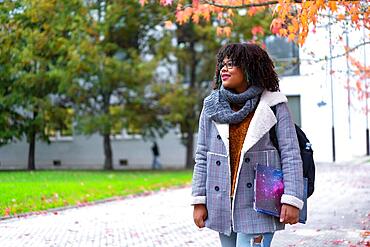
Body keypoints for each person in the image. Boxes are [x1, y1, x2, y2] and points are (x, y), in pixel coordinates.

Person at [191, 43, 304, 247]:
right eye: (222, 65)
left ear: (250, 68)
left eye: (232, 64)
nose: (224, 69)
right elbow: (202, 156)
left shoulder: (274, 104)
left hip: (260, 200)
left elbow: (291, 154)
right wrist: (199, 201)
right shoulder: (212, 106)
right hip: (222, 201)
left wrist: (291, 198)